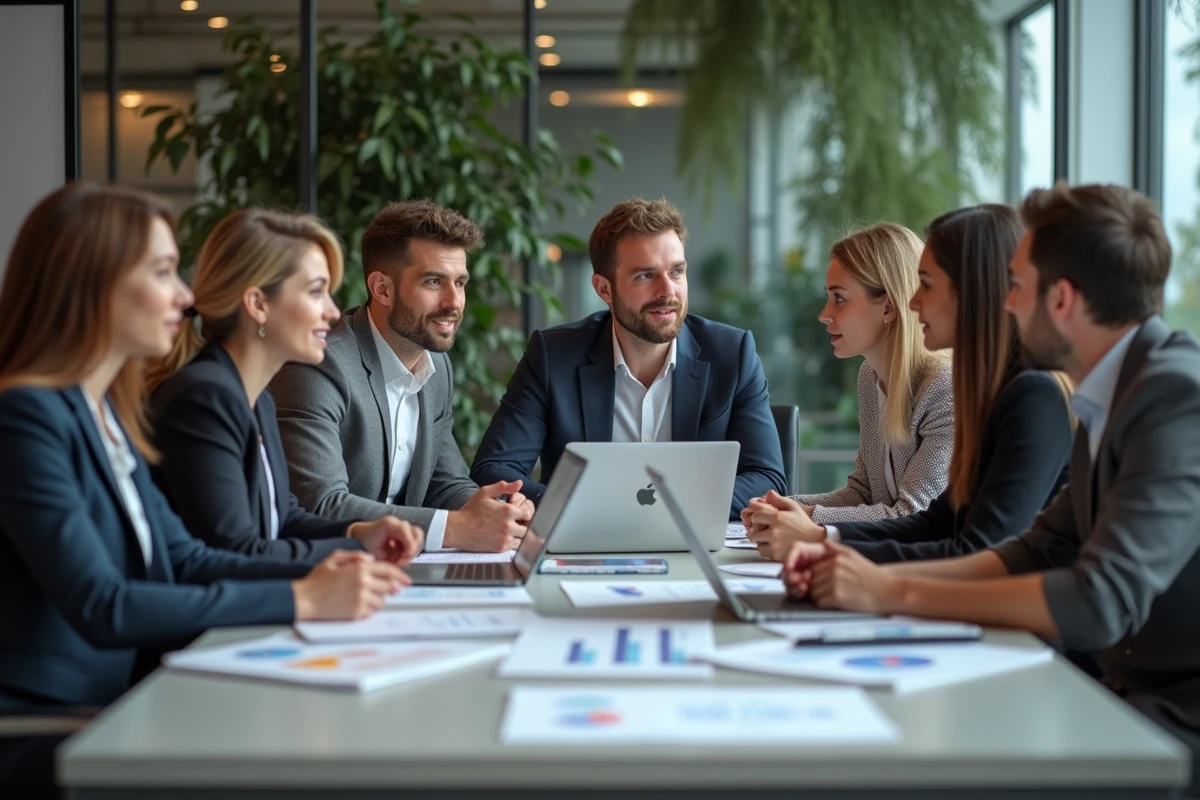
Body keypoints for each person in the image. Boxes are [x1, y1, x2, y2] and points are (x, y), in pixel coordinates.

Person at [779, 182, 1200, 797]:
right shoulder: (1108, 394)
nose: (1004, 303)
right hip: (1125, 694)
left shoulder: (1171, 397)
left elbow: (1100, 597)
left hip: (1171, 717)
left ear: (1062, 301)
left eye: (1017, 287)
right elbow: (1033, 548)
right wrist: (857, 570)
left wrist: (890, 590)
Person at [0, 184, 407, 798]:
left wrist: (340, 561)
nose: (185, 295)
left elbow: (186, 558)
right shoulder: (26, 417)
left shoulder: (102, 413)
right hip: (48, 720)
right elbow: (105, 604)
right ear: (94, 283)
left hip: (111, 704)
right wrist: (302, 599)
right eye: (163, 272)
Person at [745, 204, 1073, 561]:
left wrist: (821, 539)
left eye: (927, 285)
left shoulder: (1028, 394)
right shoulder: (990, 391)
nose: (912, 301)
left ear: (973, 292)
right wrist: (815, 530)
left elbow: (975, 549)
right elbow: (938, 522)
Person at [470, 196, 787, 518]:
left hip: (698, 547)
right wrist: (588, 507)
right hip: (584, 547)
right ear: (604, 289)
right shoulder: (554, 356)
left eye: (676, 272)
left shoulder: (733, 354)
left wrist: (654, 506)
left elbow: (767, 480)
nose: (668, 291)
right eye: (645, 276)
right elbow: (494, 469)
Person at [145, 209, 425, 563]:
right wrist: (354, 552)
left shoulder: (255, 397)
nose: (333, 312)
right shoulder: (203, 400)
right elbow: (236, 552)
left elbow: (284, 516)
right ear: (259, 304)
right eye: (316, 292)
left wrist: (358, 533)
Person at [271, 199, 533, 553]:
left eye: (460, 282)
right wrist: (455, 528)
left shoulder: (436, 366)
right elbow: (320, 505)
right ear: (382, 289)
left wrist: (494, 511)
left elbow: (446, 483)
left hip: (398, 569)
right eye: (433, 282)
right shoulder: (321, 363)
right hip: (328, 574)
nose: (454, 302)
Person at [780, 222, 953, 525]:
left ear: (888, 307)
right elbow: (863, 492)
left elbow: (913, 514)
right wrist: (785, 506)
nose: (824, 314)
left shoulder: (944, 388)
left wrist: (807, 516)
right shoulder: (870, 377)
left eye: (839, 298)